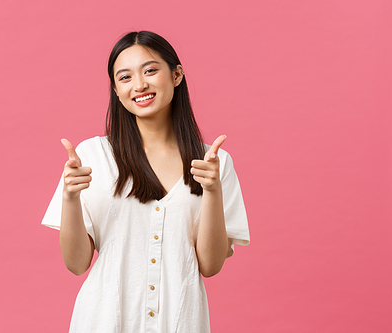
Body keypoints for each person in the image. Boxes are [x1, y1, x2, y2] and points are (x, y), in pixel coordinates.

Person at [42, 31, 250, 333]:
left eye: (150, 70)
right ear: (115, 89)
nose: (139, 85)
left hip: (180, 322)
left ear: (176, 74)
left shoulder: (214, 164)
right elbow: (76, 264)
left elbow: (210, 265)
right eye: (125, 78)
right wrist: (70, 199)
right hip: (102, 321)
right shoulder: (93, 156)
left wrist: (213, 191)